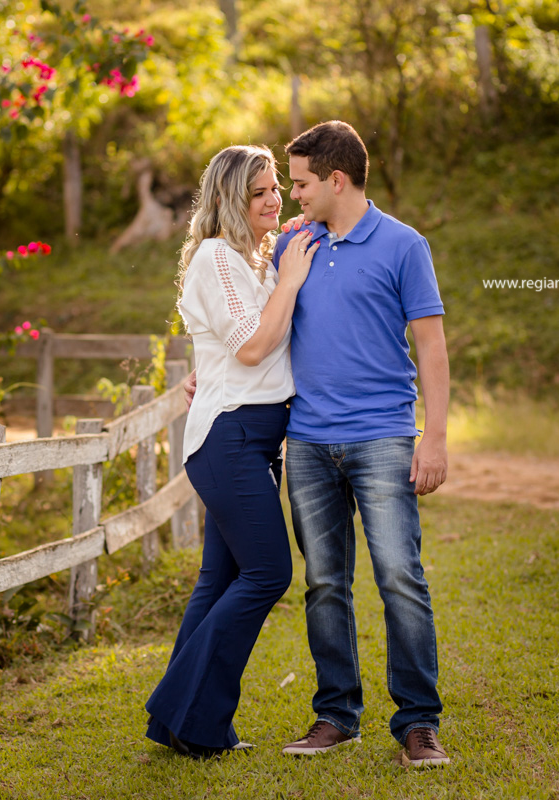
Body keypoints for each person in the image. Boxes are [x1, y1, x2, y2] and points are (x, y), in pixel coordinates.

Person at [187, 120, 452, 767]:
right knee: (325, 583)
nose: (290, 196)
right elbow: (247, 320)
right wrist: (205, 371)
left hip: (383, 435)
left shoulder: (404, 245)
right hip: (305, 440)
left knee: (400, 578)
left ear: (336, 179)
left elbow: (432, 345)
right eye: (280, 186)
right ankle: (336, 714)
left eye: (299, 184)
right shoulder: (291, 244)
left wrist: (436, 437)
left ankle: (418, 722)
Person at [144, 144, 318, 759]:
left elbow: (240, 346)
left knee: (218, 580)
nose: (274, 199)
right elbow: (250, 346)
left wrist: (285, 267)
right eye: (258, 192)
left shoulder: (255, 259)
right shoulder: (217, 256)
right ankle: (181, 710)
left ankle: (187, 728)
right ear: (229, 199)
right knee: (269, 572)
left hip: (255, 437)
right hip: (229, 436)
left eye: (275, 188)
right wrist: (290, 281)